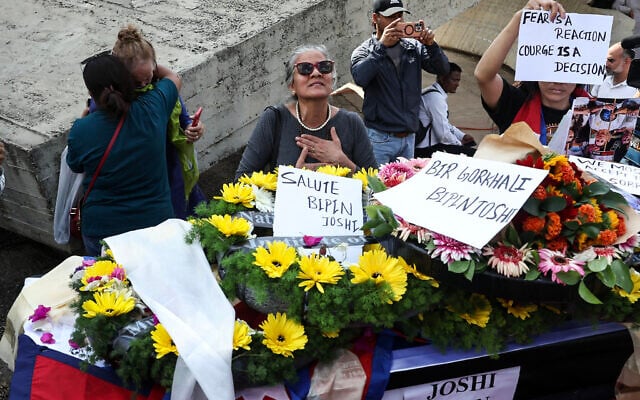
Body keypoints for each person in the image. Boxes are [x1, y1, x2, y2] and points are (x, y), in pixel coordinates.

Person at [84, 25, 206, 219]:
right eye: (136, 82)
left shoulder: (159, 90)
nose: (144, 85)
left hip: (171, 170)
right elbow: (174, 78)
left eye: (148, 78)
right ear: (120, 79)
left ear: (154, 69)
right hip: (136, 181)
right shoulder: (110, 104)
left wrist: (194, 129)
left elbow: (184, 121)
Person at [67, 53, 181, 256]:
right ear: (128, 80)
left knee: (107, 286)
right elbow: (174, 78)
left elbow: (75, 165)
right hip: (156, 224)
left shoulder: (80, 130)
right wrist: (147, 62)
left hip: (103, 232)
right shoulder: (153, 107)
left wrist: (83, 119)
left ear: (91, 93)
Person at [235, 44, 378, 179]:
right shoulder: (274, 119)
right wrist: (295, 179)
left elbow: (376, 188)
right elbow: (241, 180)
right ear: (292, 84)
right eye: (305, 68)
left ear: (332, 79)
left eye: (324, 67)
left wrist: (344, 163)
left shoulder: (352, 122)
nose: (316, 73)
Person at [474, 0, 591, 145]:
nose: (558, 82)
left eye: (566, 73)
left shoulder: (593, 112)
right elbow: (484, 76)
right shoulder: (516, 103)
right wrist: (519, 19)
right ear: (535, 69)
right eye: (549, 72)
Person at [350, 0, 450, 165]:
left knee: (403, 187)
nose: (397, 21)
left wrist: (431, 46)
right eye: (391, 17)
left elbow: (443, 69)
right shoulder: (364, 51)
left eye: (400, 15)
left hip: (409, 138)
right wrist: (381, 47)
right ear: (375, 18)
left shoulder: (413, 46)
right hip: (379, 138)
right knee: (377, 187)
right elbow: (361, 78)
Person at [415, 62, 476, 158]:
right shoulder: (435, 98)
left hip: (429, 146)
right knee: (473, 155)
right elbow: (443, 135)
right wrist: (459, 145)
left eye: (458, 80)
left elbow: (444, 123)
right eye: (454, 80)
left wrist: (461, 136)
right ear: (442, 78)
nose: (457, 84)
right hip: (426, 150)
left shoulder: (432, 92)